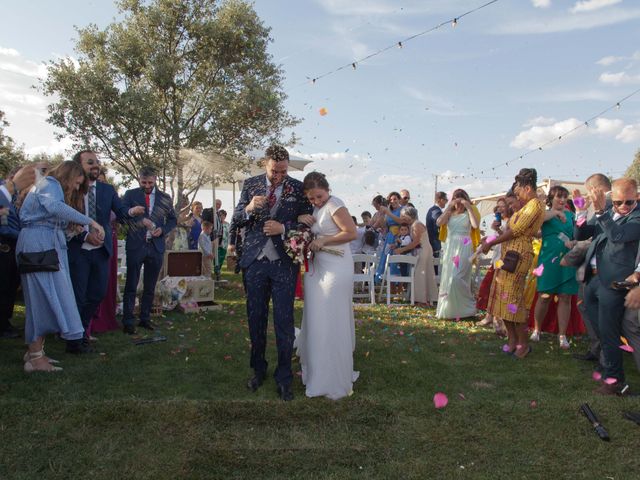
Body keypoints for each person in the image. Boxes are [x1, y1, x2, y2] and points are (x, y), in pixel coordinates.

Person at [230, 146, 312, 401]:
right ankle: (258, 369)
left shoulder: (298, 188)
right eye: (274, 170)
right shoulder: (251, 184)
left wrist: (284, 227)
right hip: (255, 261)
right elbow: (235, 220)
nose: (278, 176)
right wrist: (249, 209)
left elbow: (307, 222)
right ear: (265, 164)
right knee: (256, 318)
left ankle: (284, 377)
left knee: (284, 322)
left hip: (284, 263)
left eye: (283, 171)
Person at [18, 161, 105, 372]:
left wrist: (72, 230)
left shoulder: (49, 186)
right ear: (68, 176)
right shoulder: (49, 183)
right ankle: (36, 358)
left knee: (47, 298)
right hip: (39, 247)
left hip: (45, 245)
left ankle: (35, 353)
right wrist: (90, 222)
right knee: (42, 298)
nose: (76, 188)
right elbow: (54, 207)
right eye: (76, 183)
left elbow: (50, 217)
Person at [67, 150, 144, 353]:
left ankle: (81, 331)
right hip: (78, 250)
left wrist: (131, 212)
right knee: (78, 295)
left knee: (97, 293)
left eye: (97, 162)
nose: (95, 165)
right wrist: (84, 235)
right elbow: (66, 219)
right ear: (78, 166)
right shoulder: (71, 189)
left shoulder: (107, 189)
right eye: (90, 162)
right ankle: (75, 339)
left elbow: (120, 211)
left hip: (101, 251)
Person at [296, 172, 358, 400]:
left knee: (331, 317)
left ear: (327, 189)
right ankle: (317, 367)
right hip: (318, 268)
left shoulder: (335, 204)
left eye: (318, 196)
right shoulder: (317, 209)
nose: (316, 202)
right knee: (318, 318)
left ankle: (332, 374)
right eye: (312, 199)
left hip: (336, 267)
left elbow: (350, 233)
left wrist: (324, 240)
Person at [579, 178, 640, 394]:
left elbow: (618, 235)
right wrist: (581, 214)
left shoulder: (637, 217)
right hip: (594, 279)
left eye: (628, 202)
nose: (623, 207)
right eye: (618, 202)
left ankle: (614, 380)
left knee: (609, 332)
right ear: (612, 199)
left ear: (637, 197)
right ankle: (608, 370)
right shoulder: (608, 213)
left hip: (614, 283)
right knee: (601, 331)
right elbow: (582, 235)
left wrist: (601, 211)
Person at [481, 169, 545, 359]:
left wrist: (491, 243)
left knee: (513, 301)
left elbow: (516, 231)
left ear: (527, 188)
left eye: (518, 193)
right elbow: (508, 231)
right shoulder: (524, 207)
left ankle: (523, 344)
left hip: (519, 257)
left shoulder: (535, 206)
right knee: (503, 298)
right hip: (507, 255)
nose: (517, 197)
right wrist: (492, 238)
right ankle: (512, 340)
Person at [121, 166, 177, 334]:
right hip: (136, 245)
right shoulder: (130, 195)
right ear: (139, 180)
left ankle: (145, 318)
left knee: (150, 286)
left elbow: (173, 220)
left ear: (155, 180)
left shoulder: (165, 198)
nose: (147, 186)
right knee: (131, 284)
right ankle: (128, 321)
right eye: (143, 182)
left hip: (156, 246)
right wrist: (139, 219)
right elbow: (123, 215)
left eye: (150, 182)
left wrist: (163, 230)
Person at [529, 186, 579, 349]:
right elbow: (537, 221)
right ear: (552, 198)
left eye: (565, 197)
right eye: (559, 196)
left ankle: (562, 335)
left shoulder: (572, 216)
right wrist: (555, 212)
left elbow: (576, 236)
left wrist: (573, 242)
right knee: (545, 296)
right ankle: (537, 330)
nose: (563, 200)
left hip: (567, 260)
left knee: (565, 298)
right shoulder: (546, 214)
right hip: (548, 259)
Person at [89, 167, 124, 335]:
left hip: (109, 241)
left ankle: (105, 317)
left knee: (106, 280)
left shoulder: (110, 198)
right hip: (89, 240)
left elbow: (121, 215)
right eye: (98, 181)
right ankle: (89, 323)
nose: (100, 184)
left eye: (103, 181)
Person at [436, 189, 480, 319]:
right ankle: (451, 310)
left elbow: (475, 225)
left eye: (461, 198)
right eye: (456, 198)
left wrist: (468, 207)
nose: (458, 202)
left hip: (465, 245)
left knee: (458, 277)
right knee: (449, 278)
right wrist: (449, 207)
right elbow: (439, 222)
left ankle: (469, 306)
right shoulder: (449, 213)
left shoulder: (469, 212)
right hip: (451, 247)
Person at [477, 198, 509, 330]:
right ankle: (490, 316)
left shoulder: (511, 221)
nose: (500, 209)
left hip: (505, 258)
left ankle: (496, 317)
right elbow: (495, 239)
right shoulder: (497, 222)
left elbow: (507, 238)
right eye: (498, 206)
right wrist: (487, 240)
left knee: (497, 288)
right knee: (490, 287)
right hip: (496, 257)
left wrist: (499, 231)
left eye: (503, 206)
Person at [395, 206, 438, 306]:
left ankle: (422, 299)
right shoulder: (413, 225)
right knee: (421, 273)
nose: (402, 218)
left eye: (403, 216)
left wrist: (402, 249)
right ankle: (424, 298)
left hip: (423, 250)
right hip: (422, 250)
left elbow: (416, 242)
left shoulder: (416, 225)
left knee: (420, 274)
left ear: (409, 215)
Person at [374, 192, 404, 282]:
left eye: (395, 199)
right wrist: (381, 215)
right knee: (386, 258)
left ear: (399, 199)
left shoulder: (402, 210)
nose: (393, 201)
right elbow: (384, 226)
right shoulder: (388, 211)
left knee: (395, 259)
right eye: (391, 200)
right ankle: (383, 280)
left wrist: (388, 213)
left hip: (398, 235)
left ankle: (396, 282)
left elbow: (401, 221)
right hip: (389, 236)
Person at [426, 191, 448, 273]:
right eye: (446, 200)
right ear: (440, 200)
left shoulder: (432, 209)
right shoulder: (436, 211)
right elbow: (438, 224)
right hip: (434, 242)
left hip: (433, 241)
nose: (446, 202)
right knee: (435, 268)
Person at [213, 209, 229, 281]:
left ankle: (219, 271)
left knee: (222, 259)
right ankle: (216, 273)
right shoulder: (217, 224)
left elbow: (229, 233)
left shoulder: (227, 224)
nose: (222, 217)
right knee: (217, 259)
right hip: (217, 244)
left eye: (223, 215)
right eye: (220, 215)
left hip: (224, 244)